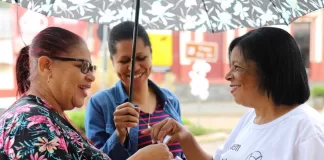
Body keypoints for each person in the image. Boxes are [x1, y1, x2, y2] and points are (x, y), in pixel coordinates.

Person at [142, 27, 324, 160]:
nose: (228, 76)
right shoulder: (250, 119)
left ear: (269, 71)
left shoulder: (306, 130)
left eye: (237, 67)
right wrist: (185, 137)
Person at [0, 27, 173, 160]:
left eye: (92, 68)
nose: (91, 77)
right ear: (46, 65)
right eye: (83, 67)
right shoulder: (30, 124)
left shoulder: (45, 116)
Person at [85, 21, 185, 160]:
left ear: (151, 54)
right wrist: (119, 135)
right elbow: (94, 158)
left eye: (141, 57)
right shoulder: (100, 104)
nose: (134, 67)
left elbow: (183, 152)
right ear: (113, 61)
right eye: (124, 61)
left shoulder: (170, 100)